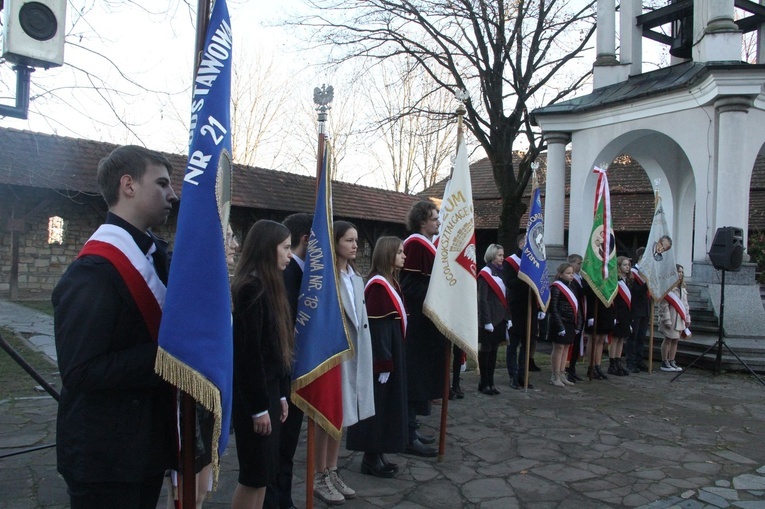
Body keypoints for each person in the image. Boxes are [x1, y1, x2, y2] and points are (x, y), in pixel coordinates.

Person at [52, 145, 178, 509]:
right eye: (162, 183)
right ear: (129, 185)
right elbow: (80, 370)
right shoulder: (93, 271)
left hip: (148, 447)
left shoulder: (156, 256)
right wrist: (168, 357)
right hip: (105, 457)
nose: (171, 194)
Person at [166, 225, 240, 509]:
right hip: (191, 402)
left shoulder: (219, 287)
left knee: (200, 494)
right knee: (187, 494)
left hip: (213, 400)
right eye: (228, 238)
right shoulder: (191, 289)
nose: (235, 244)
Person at [230, 220, 294, 509]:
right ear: (268, 249)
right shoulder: (250, 288)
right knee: (253, 475)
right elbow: (248, 355)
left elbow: (277, 349)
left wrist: (281, 393)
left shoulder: (271, 285)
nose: (290, 255)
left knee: (265, 475)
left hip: (269, 391)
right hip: (253, 397)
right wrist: (258, 409)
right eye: (285, 248)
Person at [313, 221, 374, 505]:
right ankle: (318, 474)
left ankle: (332, 469)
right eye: (349, 240)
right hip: (334, 354)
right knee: (327, 416)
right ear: (335, 242)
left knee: (343, 416)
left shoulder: (356, 277)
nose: (354, 245)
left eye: (356, 240)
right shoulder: (327, 278)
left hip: (356, 354)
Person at [347, 236, 409, 478]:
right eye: (400, 252)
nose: (404, 256)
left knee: (387, 406)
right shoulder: (378, 285)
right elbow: (378, 329)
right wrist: (383, 362)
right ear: (388, 254)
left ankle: (379, 453)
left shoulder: (391, 282)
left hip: (393, 350)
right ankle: (371, 457)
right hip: (382, 356)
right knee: (379, 406)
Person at [263, 213, 312, 509]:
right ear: (306, 239)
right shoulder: (285, 274)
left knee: (289, 444)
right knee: (278, 445)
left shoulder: (307, 274)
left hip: (295, 371)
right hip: (283, 373)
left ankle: (284, 497)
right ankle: (273, 499)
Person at [400, 201, 443, 458]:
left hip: (425, 322)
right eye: (434, 218)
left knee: (421, 378)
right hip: (416, 322)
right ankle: (407, 433)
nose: (438, 222)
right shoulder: (415, 244)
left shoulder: (426, 244)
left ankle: (413, 429)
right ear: (421, 222)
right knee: (414, 378)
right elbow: (410, 285)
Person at [503, 234, 544, 389]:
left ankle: (523, 375)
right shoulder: (510, 262)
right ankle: (513, 376)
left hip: (531, 308)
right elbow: (510, 283)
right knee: (513, 345)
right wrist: (525, 277)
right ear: (521, 244)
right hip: (516, 308)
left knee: (527, 346)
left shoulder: (534, 263)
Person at [477, 244, 510, 395]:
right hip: (489, 319)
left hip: (501, 317)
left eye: (502, 255)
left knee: (495, 350)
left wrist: (508, 317)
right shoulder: (485, 274)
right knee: (486, 350)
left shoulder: (502, 273)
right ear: (491, 256)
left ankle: (491, 381)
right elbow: (482, 300)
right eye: (499, 255)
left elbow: (506, 297)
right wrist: (486, 320)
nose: (502, 258)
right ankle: (484, 382)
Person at [548, 263, 582, 387]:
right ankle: (555, 375)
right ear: (561, 274)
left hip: (570, 322)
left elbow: (577, 306)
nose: (571, 275)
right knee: (559, 348)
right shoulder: (556, 287)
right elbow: (553, 308)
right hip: (559, 322)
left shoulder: (573, 287)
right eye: (568, 273)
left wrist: (578, 323)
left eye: (572, 273)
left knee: (566, 347)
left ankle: (562, 374)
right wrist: (559, 325)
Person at [584, 273, 616, 381]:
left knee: (601, 339)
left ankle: (598, 365)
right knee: (594, 338)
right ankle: (591, 366)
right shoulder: (591, 275)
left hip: (606, 309)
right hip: (594, 310)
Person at [659, 264, 691, 372]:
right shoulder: (668, 288)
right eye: (678, 271)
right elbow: (664, 305)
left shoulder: (682, 288)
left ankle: (672, 360)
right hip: (671, 318)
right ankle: (665, 361)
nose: (680, 274)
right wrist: (666, 319)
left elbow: (685, 305)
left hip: (679, 319)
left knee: (675, 340)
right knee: (668, 339)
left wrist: (687, 318)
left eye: (682, 272)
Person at [627, 247, 651, 373]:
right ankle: (630, 362)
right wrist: (647, 284)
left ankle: (639, 360)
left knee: (641, 337)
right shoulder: (633, 273)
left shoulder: (647, 273)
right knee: (633, 337)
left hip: (645, 309)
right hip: (635, 309)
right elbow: (634, 292)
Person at [608, 256, 633, 377]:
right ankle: (612, 364)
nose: (627, 267)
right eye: (624, 265)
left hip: (626, 313)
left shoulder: (627, 280)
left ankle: (618, 361)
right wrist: (615, 315)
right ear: (618, 267)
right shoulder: (615, 280)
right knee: (615, 339)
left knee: (621, 339)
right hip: (618, 312)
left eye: (628, 265)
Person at [564, 254, 586, 383]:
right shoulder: (571, 281)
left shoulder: (579, 278)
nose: (580, 266)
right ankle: (566, 370)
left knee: (577, 344)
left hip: (580, 314)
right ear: (571, 263)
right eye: (578, 263)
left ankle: (572, 369)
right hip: (571, 316)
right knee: (570, 345)